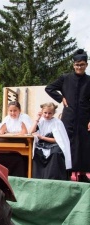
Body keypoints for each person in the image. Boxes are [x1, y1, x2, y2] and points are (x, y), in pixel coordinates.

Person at [45, 48, 90, 183]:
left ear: (86, 65)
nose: (79, 67)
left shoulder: (89, 80)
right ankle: (66, 173)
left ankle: (82, 174)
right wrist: (60, 98)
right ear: (73, 65)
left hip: (84, 118)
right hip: (68, 118)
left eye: (82, 64)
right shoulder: (65, 78)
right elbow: (49, 88)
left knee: (83, 146)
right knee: (66, 144)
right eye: (77, 64)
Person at [30, 102, 71, 180]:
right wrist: (37, 119)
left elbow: (57, 140)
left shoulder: (57, 123)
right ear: (42, 112)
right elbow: (31, 131)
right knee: (36, 153)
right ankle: (39, 178)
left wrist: (42, 137)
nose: (47, 115)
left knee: (55, 153)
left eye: (49, 113)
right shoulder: (41, 121)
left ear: (53, 113)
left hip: (53, 144)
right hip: (42, 145)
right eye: (45, 113)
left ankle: (53, 178)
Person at [0, 101, 31, 177]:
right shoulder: (7, 118)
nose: (13, 113)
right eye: (10, 111)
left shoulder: (24, 117)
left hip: (23, 141)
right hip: (10, 142)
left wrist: (12, 134)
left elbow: (24, 131)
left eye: (15, 110)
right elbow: (1, 131)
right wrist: (4, 132)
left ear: (20, 110)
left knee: (19, 158)